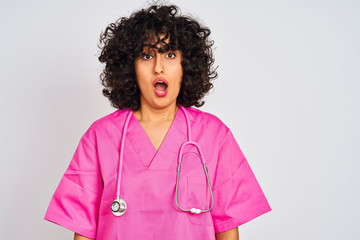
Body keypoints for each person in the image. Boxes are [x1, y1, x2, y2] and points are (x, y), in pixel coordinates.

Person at [44, 4, 271, 240]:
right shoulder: (100, 136)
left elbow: (227, 227)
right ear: (130, 67)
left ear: (186, 66)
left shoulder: (214, 135)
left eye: (170, 55)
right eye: (146, 55)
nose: (158, 67)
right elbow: (82, 230)